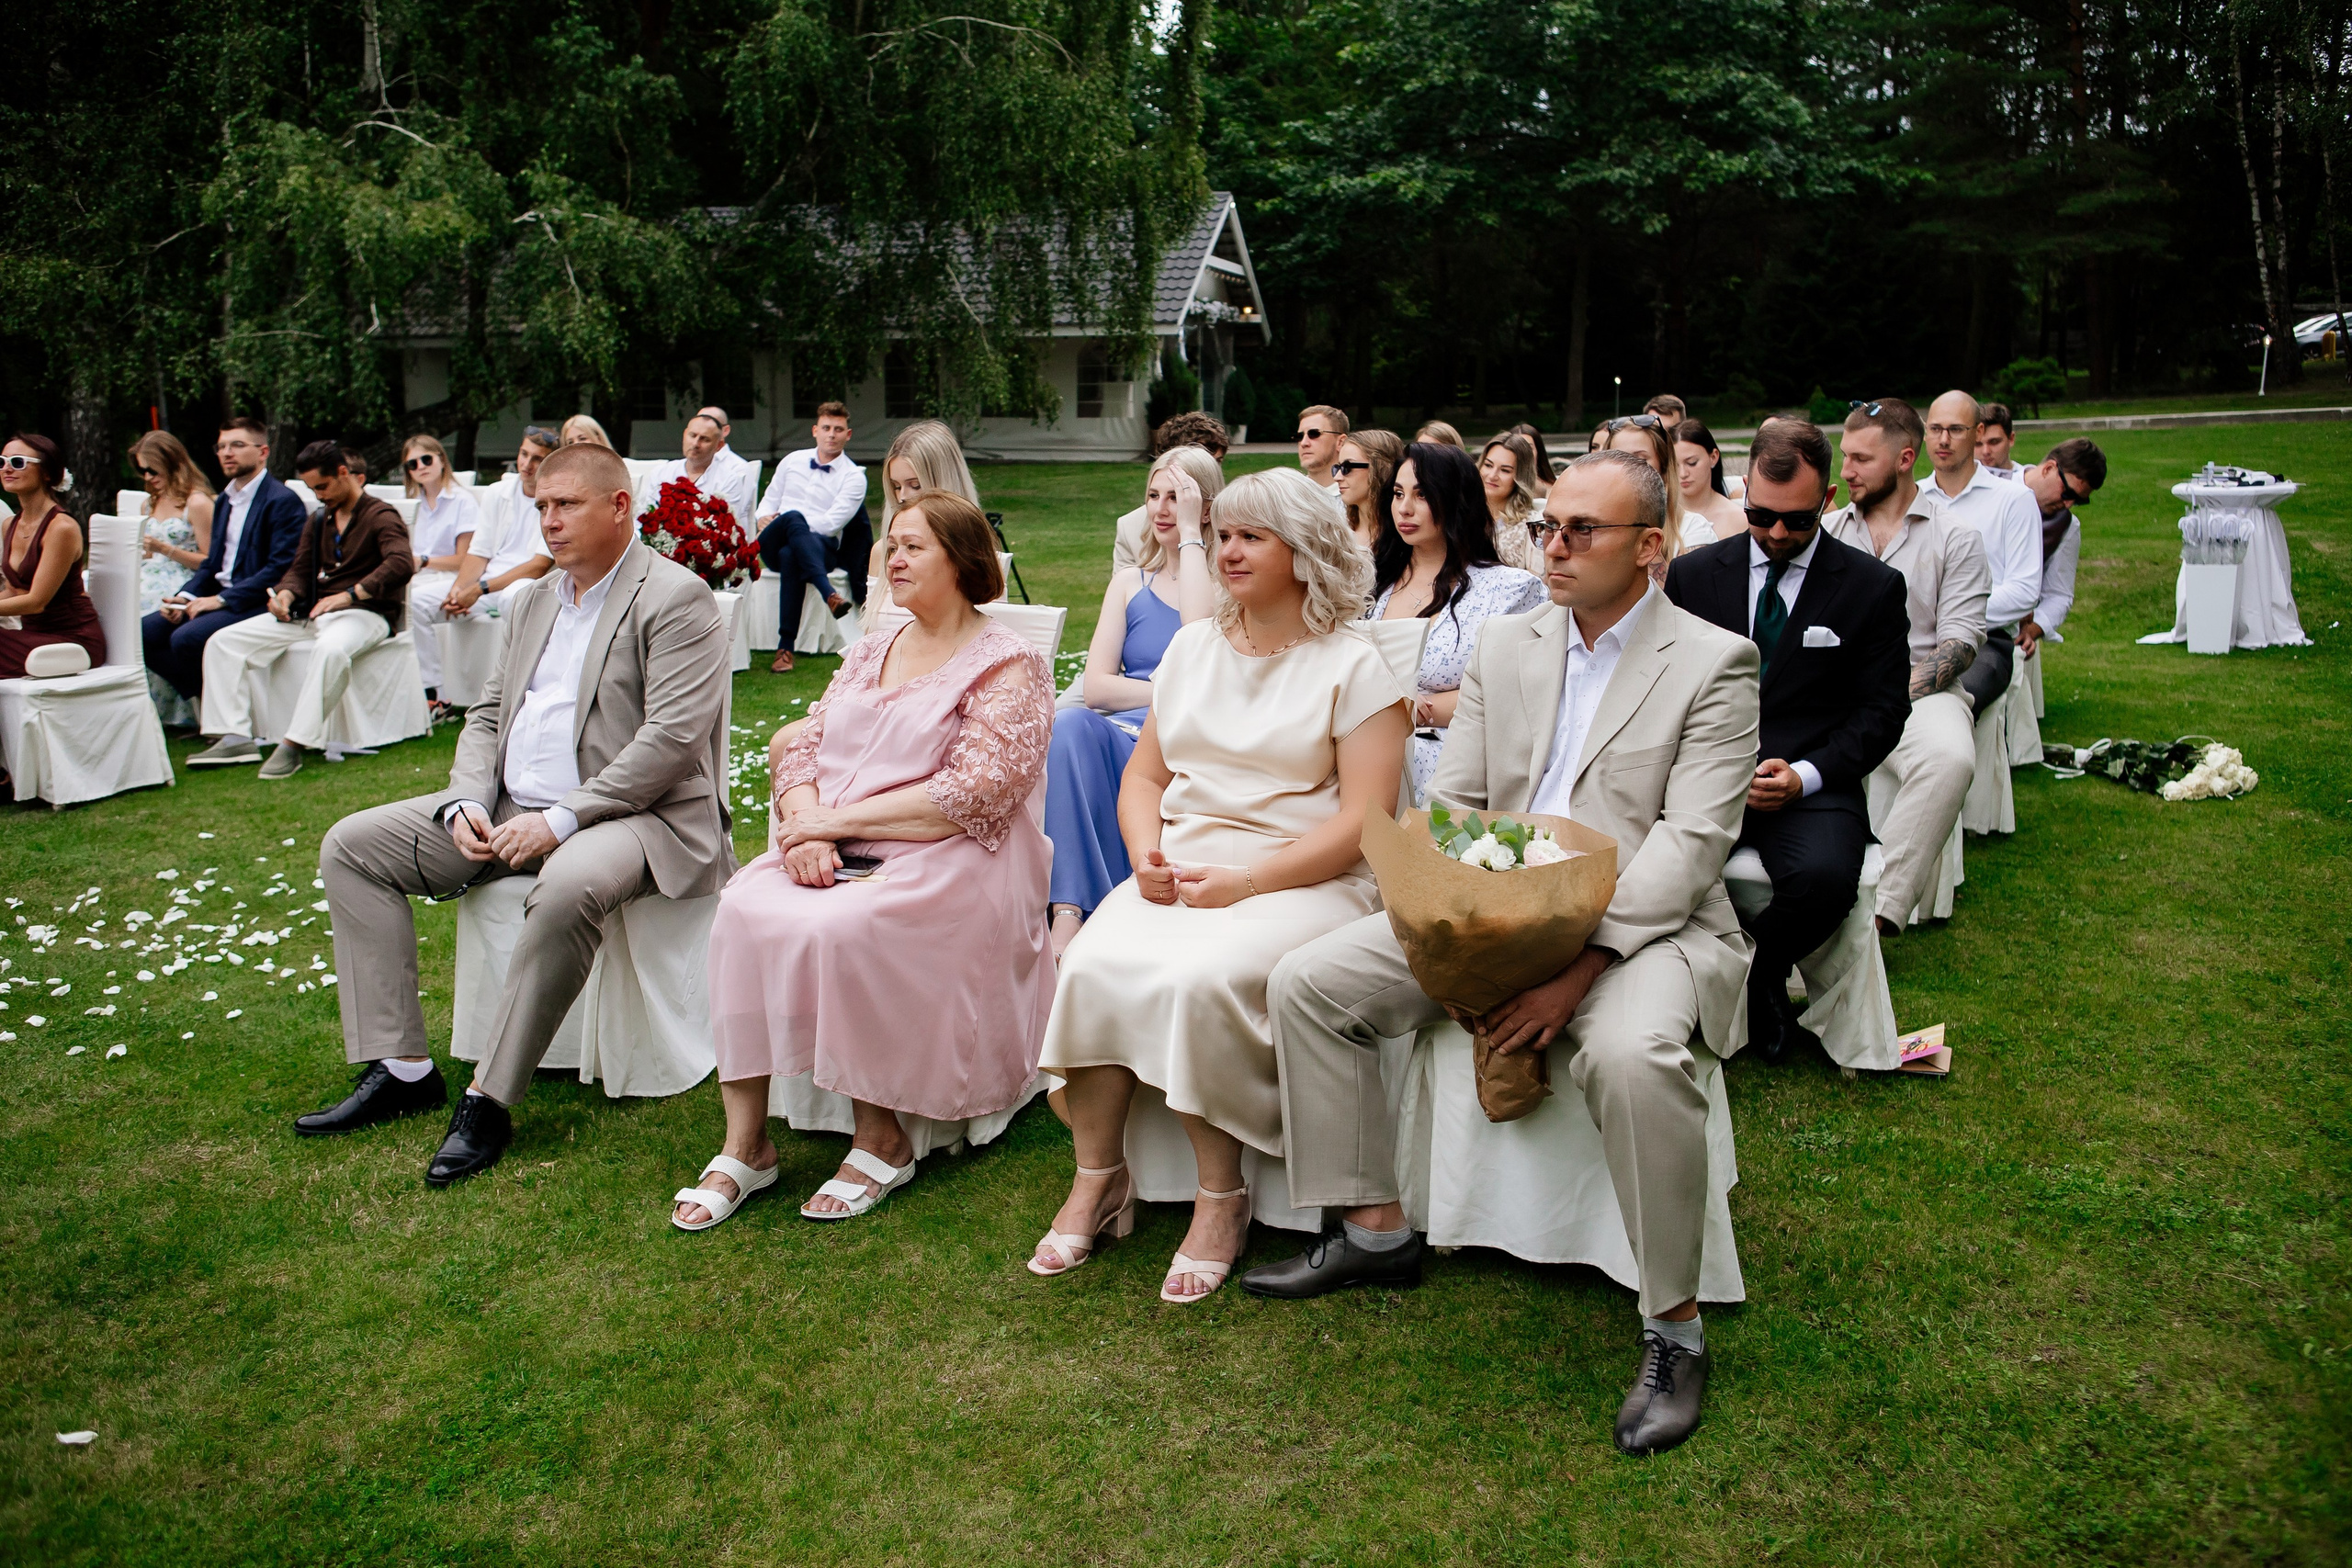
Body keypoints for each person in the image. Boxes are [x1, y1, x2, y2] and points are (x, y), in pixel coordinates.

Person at [1243, 448, 1760, 1458]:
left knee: (1630, 1056)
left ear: (1650, 547)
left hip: (1636, 930)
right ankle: (1374, 1230)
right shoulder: (1508, 643)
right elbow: (1458, 804)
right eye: (1545, 527)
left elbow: (1690, 848)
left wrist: (1573, 970)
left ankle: (1674, 1330)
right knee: (1311, 983)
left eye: (1580, 531)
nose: (1550, 546)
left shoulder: (1714, 662)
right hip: (1489, 900)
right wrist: (1468, 926)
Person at [294, 442, 733, 1187]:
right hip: (505, 806)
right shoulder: (533, 598)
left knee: (565, 886)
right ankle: (401, 1066)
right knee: (352, 846)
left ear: (619, 507)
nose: (549, 521)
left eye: (565, 505)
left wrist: (561, 820)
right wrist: (467, 798)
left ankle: (489, 1098)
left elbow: (670, 742)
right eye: (540, 507)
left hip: (637, 818)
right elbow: (490, 710)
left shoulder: (674, 598)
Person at [1032, 468, 1409, 1302]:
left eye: (1249, 537)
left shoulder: (1355, 665)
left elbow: (1367, 821)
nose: (1225, 551)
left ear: (1305, 553)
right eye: (1224, 534)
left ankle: (1222, 1194)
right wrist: (1142, 855)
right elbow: (1144, 778)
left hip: (1306, 875)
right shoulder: (1194, 648)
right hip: (1186, 864)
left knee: (1200, 976)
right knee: (1091, 962)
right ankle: (1099, 1175)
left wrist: (1247, 881)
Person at [676, 491, 1057, 1228]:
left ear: (963, 560)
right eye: (893, 544)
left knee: (848, 924)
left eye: (914, 545)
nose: (893, 557)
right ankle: (746, 1142)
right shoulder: (872, 647)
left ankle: (882, 1137)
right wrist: (806, 827)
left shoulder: (1010, 664)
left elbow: (974, 795)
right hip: (840, 836)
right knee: (742, 907)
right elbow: (805, 747)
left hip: (956, 854)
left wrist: (833, 820)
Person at [1663, 418, 1909, 1061]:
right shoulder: (1692, 577)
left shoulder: (1870, 587)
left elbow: (1882, 712)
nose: (1776, 534)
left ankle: (1754, 976)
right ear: (1744, 495)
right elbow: (1664, 688)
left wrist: (1806, 774)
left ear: (1827, 499)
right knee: (1659, 867)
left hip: (1812, 781)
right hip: (1706, 775)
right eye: (1761, 516)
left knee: (1828, 877)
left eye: (1796, 521)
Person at [1822, 400, 1991, 934]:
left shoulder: (1955, 537)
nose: (1846, 471)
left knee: (1950, 757)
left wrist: (1886, 694)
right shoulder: (1825, 533)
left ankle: (1870, 916)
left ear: (1904, 459)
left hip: (1919, 693)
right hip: (1826, 690)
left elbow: (1960, 646)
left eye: (1860, 459)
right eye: (1845, 457)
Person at [1045, 446, 1221, 959]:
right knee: (1072, 725)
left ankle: (1099, 906)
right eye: (1153, 496)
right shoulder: (1129, 583)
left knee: (1082, 734)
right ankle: (1068, 911)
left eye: (1179, 498)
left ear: (1205, 507)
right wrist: (1165, 692)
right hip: (1122, 729)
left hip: (1187, 736)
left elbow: (1196, 639)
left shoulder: (1222, 582)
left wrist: (1193, 537)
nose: (1163, 509)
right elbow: (1098, 686)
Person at [187, 441, 415, 778]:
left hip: (366, 614)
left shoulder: (380, 515)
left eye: (322, 487)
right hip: (312, 613)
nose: (319, 495)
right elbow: (298, 569)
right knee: (224, 641)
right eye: (312, 489)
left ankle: (294, 744)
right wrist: (285, 596)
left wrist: (351, 594)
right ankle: (234, 736)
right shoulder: (319, 519)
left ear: (343, 473)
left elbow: (401, 563)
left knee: (330, 649)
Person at [1376, 441, 1544, 801]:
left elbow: (1517, 693)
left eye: (1422, 495)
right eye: (1397, 493)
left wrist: (1415, 708)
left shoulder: (1509, 590)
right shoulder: (1371, 583)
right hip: (1365, 757)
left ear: (1456, 500)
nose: (1404, 508)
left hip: (1451, 767)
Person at [141, 416, 307, 708]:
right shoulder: (225, 501)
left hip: (257, 599)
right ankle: (206, 701)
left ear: (263, 452)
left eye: (238, 445)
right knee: (144, 633)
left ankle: (221, 712)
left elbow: (279, 569)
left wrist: (221, 600)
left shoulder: (282, 501)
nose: (227, 452)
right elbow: (211, 564)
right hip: (219, 594)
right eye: (222, 446)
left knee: (185, 638)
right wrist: (185, 596)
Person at [411, 430, 558, 721]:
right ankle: (436, 699)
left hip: (526, 585)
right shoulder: (497, 492)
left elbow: (538, 565)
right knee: (416, 602)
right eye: (524, 454)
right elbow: (479, 552)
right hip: (486, 584)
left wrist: (478, 589)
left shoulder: (555, 497)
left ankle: (514, 699)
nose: (527, 464)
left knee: (515, 598)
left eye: (537, 459)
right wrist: (457, 591)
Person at [1921, 390, 2041, 723]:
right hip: (1911, 637)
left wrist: (1952, 617)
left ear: (1977, 434)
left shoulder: (2014, 499)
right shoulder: (1912, 498)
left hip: (1985, 643)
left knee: (1941, 710)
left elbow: (2024, 591)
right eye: (1935, 429)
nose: (1943, 440)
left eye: (1956, 430)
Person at [754, 401, 867, 674]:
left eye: (838, 429)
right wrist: (764, 517)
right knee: (792, 520)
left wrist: (796, 524)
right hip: (774, 540)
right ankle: (829, 594)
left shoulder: (854, 476)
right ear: (815, 430)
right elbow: (768, 502)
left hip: (821, 548)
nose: (832, 434)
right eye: (826, 428)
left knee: (791, 551)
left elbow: (831, 524)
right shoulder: (792, 461)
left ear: (848, 435)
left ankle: (785, 649)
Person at [0, 434, 105, 681]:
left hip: (73, 641)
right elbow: (15, 591)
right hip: (34, 637)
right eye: (1, 461)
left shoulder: (61, 528)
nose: (6, 468)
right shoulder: (10, 525)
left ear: (47, 473)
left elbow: (36, 601)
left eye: (17, 462)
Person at [859, 420, 981, 602]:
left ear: (943, 482)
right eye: (896, 486)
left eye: (915, 485)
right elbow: (871, 626)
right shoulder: (882, 553)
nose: (902, 497)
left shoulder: (978, 557)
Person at [2009, 437, 2104, 660]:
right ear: (2050, 468)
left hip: (2010, 637)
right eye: (2068, 493)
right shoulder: (1991, 486)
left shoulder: (2066, 526)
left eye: (2078, 501)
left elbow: (2059, 594)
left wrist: (2033, 629)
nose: (2068, 504)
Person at [1113, 412, 1229, 570]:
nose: (1210, 472)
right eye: (1154, 495)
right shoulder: (1130, 527)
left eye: (1217, 463)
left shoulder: (1234, 525)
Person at [1591, 414, 1695, 567]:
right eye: (1619, 459)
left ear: (1664, 468)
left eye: (1640, 459)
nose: (1627, 468)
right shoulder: (1586, 527)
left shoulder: (1692, 528)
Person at [131, 432, 217, 615]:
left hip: (183, 580)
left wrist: (164, 549)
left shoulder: (197, 503)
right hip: (149, 574)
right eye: (142, 471)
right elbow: (147, 556)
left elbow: (211, 562)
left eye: (152, 470)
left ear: (171, 464)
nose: (147, 477)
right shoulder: (149, 504)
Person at [646, 408, 760, 539]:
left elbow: (725, 525)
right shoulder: (661, 472)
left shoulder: (730, 479)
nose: (695, 444)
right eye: (692, 435)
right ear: (684, 435)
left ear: (718, 446)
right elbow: (646, 513)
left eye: (704, 439)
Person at [1477, 432, 1546, 573]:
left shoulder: (1532, 525)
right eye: (1488, 465)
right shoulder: (1461, 514)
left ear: (1520, 477)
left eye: (1505, 470)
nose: (1492, 476)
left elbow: (1539, 583)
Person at [1673, 420, 1747, 541]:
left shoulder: (1738, 518)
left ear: (1713, 457)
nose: (1683, 474)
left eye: (1692, 463)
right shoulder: (1658, 517)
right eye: (1674, 465)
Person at [1332, 429, 1403, 554]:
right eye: (1337, 467)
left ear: (1379, 469)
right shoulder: (1336, 534)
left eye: (1347, 467)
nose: (1337, 477)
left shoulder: (1405, 535)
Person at [1296, 403, 1349, 492]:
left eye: (1314, 434)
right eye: (1299, 436)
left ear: (1341, 442)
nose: (1304, 443)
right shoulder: (1288, 497)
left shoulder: (1359, 500)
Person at [1506, 423, 1556, 501]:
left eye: (1529, 448)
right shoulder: (1502, 486)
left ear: (1538, 451)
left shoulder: (1558, 487)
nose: (1524, 453)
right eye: (1517, 448)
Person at [1975, 402, 2018, 477]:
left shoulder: (2027, 483)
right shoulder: (1957, 484)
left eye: (1994, 442)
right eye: (1978, 444)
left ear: (2011, 439)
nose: (1986, 451)